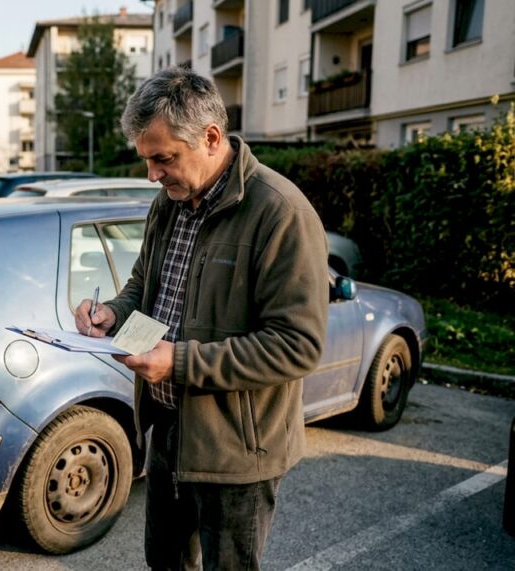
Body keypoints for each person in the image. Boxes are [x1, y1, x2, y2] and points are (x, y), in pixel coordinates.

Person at [74, 68, 328, 569]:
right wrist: (111, 314)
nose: (152, 174)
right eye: (146, 159)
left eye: (162, 158)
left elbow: (298, 344)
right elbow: (145, 289)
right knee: (165, 563)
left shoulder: (279, 212)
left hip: (237, 453)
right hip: (167, 432)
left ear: (211, 138)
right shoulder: (167, 204)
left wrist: (181, 362)